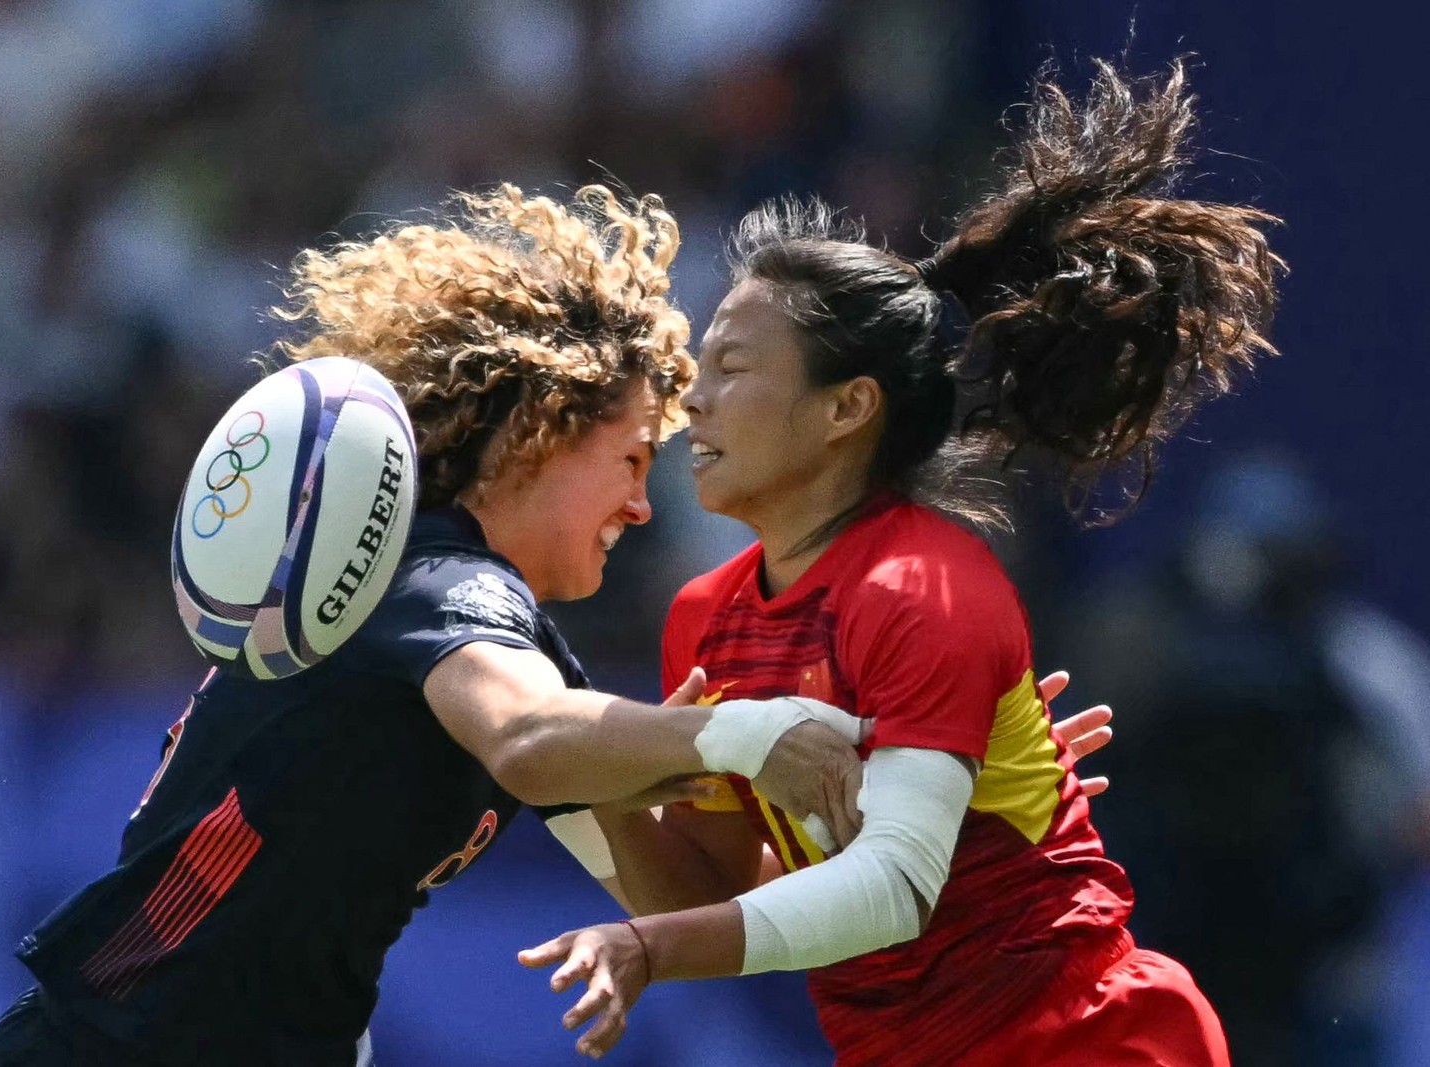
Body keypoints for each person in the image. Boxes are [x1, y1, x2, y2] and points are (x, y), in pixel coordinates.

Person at [0, 184, 879, 1067]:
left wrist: (911, 823)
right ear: (541, 430)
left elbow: (683, 896)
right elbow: (526, 738)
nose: (644, 507)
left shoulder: (499, 639)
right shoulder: (432, 579)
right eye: (633, 458)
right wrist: (739, 734)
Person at [521, 61, 1282, 1065]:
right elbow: (714, 898)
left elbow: (890, 887)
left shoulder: (924, 587)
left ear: (848, 406)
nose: (691, 401)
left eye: (734, 367)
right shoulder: (702, 616)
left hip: (1083, 1042)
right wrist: (571, 768)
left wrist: (644, 944)